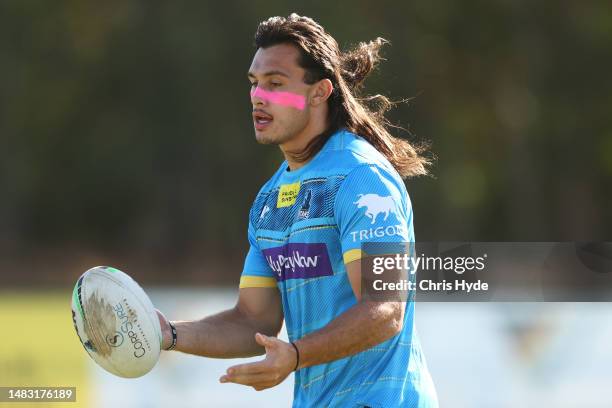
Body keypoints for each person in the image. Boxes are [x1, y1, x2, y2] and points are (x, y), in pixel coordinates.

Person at [157, 13, 438, 407]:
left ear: (320, 92)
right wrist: (167, 334)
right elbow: (254, 320)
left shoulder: (362, 177)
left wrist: (297, 354)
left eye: (275, 84)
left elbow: (384, 308)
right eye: (254, 84)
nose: (258, 96)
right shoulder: (269, 199)